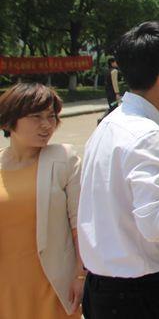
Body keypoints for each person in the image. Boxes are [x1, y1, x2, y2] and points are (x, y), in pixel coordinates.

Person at [78, 21, 159, 319]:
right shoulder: (147, 134)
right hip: (136, 294)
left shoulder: (111, 123)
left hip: (102, 287)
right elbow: (156, 226)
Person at [0, 83, 83, 318]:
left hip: (53, 284)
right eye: (36, 117)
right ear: (9, 120)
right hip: (6, 284)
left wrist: (81, 275)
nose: (46, 125)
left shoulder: (64, 159)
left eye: (51, 116)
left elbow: (80, 225)